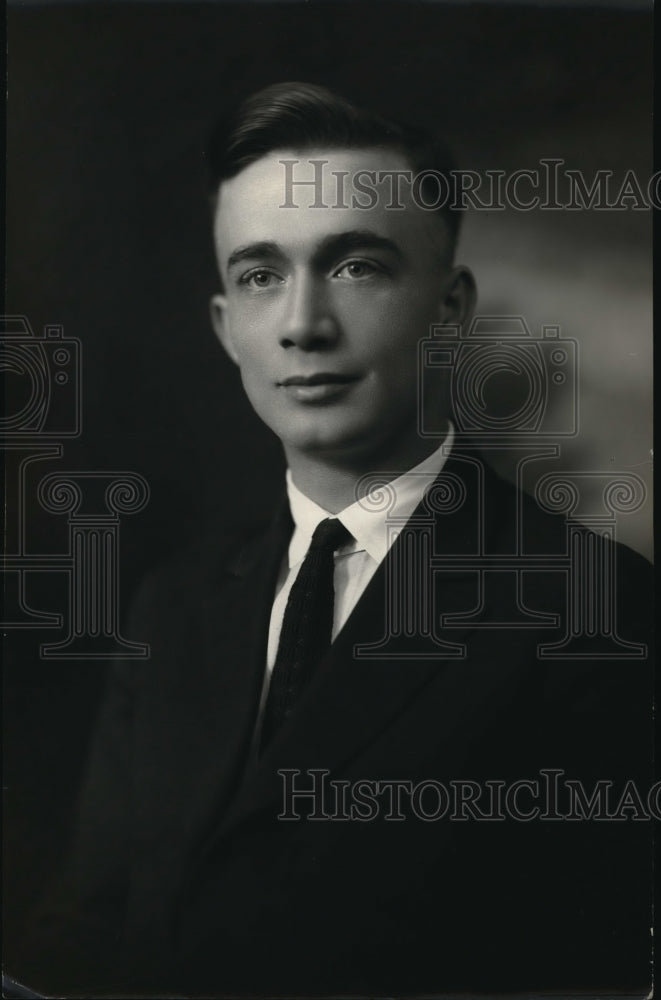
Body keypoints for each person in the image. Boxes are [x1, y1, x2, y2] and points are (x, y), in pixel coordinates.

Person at [22, 82, 653, 998]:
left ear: (448, 310)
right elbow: (86, 930)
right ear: (226, 328)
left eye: (356, 266)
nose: (302, 325)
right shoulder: (174, 605)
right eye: (260, 275)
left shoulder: (595, 609)